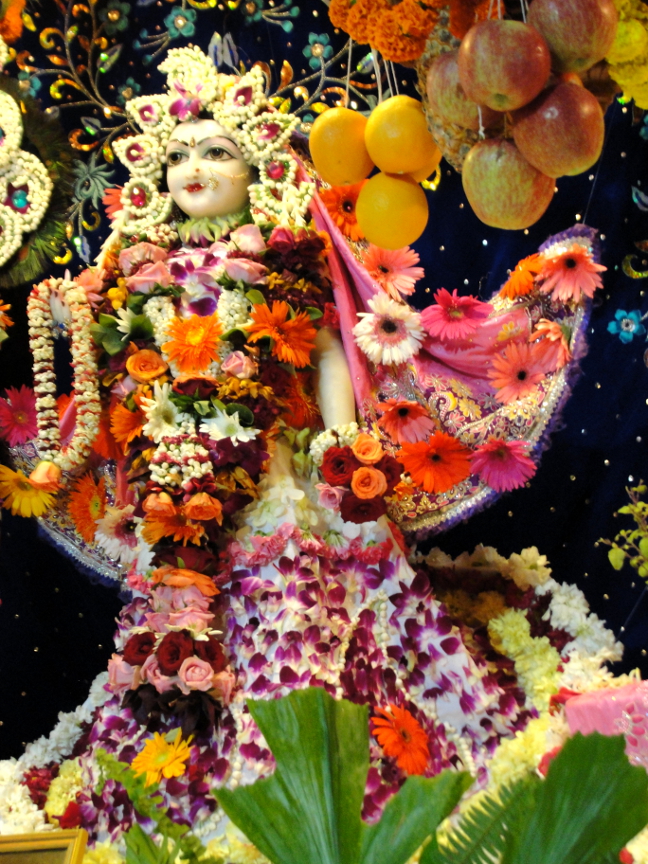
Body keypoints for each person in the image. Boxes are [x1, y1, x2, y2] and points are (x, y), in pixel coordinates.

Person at [0, 46, 606, 855]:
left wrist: (338, 440)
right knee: (180, 623)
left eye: (216, 150)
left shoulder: (278, 258)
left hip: (274, 473)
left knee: (295, 612)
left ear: (256, 171)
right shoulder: (136, 274)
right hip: (174, 490)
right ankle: (203, 799)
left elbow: (325, 353)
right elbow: (117, 373)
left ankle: (305, 773)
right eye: (179, 155)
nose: (193, 167)